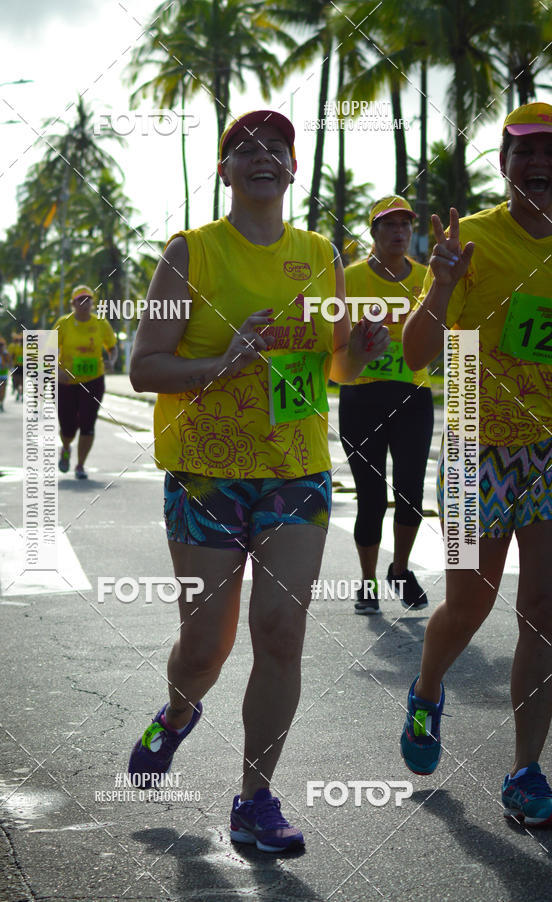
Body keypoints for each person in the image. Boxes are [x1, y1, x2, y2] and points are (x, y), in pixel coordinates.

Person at [127, 109, 390, 852]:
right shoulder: (192, 253)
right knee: (204, 649)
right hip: (206, 476)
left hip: (295, 472)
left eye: (277, 147)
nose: (262, 156)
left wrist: (361, 352)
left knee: (281, 634)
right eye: (245, 148)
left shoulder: (320, 254)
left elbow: (335, 365)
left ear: (294, 168)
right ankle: (178, 714)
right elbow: (143, 367)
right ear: (225, 171)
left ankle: (254, 800)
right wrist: (224, 363)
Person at [400, 102, 552, 827]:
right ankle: (427, 690)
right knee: (470, 604)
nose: (539, 164)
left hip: (549, 450)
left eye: (550, 153)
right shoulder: (474, 241)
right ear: (504, 164)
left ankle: (526, 771)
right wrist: (439, 286)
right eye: (524, 152)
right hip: (472, 447)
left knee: (544, 614)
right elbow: (417, 354)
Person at [338, 196, 433, 614]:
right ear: (373, 232)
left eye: (405, 224)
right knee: (371, 496)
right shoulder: (349, 279)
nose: (399, 232)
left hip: (413, 396)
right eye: (389, 225)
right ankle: (368, 581)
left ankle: (400, 569)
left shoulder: (428, 278)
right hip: (362, 397)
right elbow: (333, 335)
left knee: (411, 492)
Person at [54, 285, 117, 479]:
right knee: (68, 427)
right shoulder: (63, 323)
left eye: (88, 299)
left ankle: (80, 465)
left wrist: (112, 361)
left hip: (93, 380)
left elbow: (113, 348)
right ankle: (66, 447)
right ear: (73, 304)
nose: (84, 303)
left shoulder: (101, 323)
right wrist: (57, 371)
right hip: (66, 383)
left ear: (92, 303)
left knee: (88, 424)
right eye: (80, 300)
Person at [7, 332, 24, 401]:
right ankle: (17, 391)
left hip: (23, 367)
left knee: (22, 382)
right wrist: (10, 365)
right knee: (15, 381)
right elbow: (11, 356)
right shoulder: (15, 347)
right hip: (16, 366)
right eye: (21, 341)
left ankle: (21, 394)